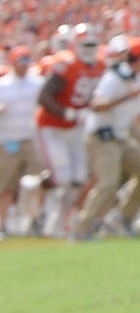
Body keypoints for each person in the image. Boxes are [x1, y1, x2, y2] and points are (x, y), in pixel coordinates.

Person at [79, 35, 140, 237]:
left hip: (121, 136)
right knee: (107, 183)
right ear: (138, 59)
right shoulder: (114, 77)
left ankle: (122, 217)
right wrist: (125, 97)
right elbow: (96, 105)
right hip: (103, 136)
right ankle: (83, 227)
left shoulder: (137, 76)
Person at [35, 23, 104, 234]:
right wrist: (69, 113)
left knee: (79, 179)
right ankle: (37, 196)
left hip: (77, 129)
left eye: (93, 44)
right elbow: (44, 97)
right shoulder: (64, 64)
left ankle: (61, 222)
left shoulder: (101, 65)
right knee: (63, 177)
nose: (89, 49)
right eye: (85, 44)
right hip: (52, 127)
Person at [0, 45, 44, 236]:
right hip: (7, 140)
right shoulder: (3, 85)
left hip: (29, 139)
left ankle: (34, 220)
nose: (24, 66)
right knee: (6, 185)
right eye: (20, 62)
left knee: (35, 181)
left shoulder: (37, 83)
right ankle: (2, 224)